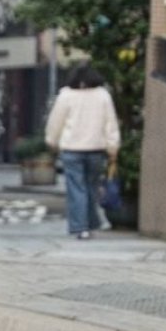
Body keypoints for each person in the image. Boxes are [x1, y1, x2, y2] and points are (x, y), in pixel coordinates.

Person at [44, 63, 120, 240]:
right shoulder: (103, 96)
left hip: (72, 149)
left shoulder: (66, 95)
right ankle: (92, 224)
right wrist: (113, 146)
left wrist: (52, 141)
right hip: (96, 149)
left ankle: (80, 227)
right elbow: (111, 123)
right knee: (91, 188)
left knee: (76, 188)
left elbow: (56, 121)